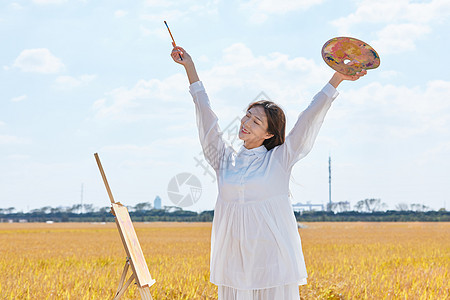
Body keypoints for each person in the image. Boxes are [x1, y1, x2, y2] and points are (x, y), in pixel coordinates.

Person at [170, 45, 366, 300]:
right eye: (247, 116)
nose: (246, 123)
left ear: (269, 134)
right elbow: (207, 119)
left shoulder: (279, 160)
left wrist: (336, 78)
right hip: (233, 266)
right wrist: (190, 69)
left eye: (256, 121)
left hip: (272, 265)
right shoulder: (224, 160)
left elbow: (308, 119)